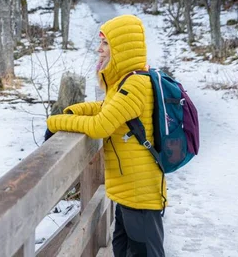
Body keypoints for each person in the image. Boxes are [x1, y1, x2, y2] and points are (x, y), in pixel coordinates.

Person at [45, 14, 166, 257]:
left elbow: (102, 125)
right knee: (122, 249)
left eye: (106, 43)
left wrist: (55, 121)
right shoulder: (126, 81)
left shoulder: (135, 85)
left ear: (121, 48)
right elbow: (105, 109)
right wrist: (72, 110)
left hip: (139, 192)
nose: (99, 49)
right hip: (129, 189)